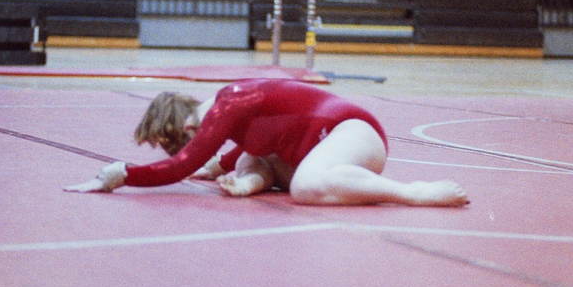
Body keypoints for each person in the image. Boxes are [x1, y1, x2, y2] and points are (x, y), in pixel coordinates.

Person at [64, 79, 468, 207]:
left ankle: (414, 193)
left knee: (305, 188)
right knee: (254, 158)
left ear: (187, 126)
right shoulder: (231, 112)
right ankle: (251, 183)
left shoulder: (227, 103)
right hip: (322, 147)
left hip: (352, 132)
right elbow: (251, 143)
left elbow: (181, 165)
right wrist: (221, 168)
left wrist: (120, 175)